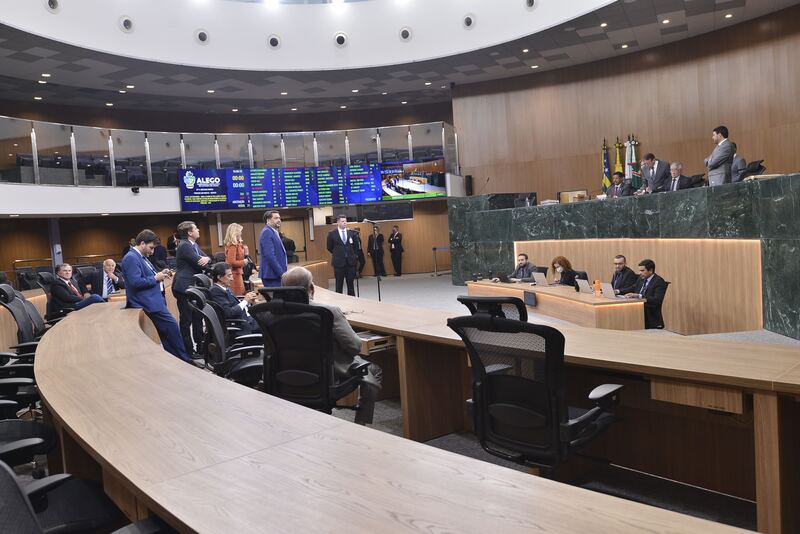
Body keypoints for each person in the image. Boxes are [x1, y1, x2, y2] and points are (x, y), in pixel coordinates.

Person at [282, 266, 382, 425]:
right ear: (312, 288)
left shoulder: (274, 311)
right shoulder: (328, 312)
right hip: (327, 375)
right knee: (374, 370)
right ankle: (360, 425)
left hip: (286, 373)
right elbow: (355, 346)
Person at [121, 229, 191, 362]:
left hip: (154, 299)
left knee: (167, 333)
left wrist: (161, 273)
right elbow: (135, 282)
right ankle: (184, 360)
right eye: (151, 247)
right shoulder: (131, 258)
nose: (152, 252)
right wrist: (155, 278)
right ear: (142, 243)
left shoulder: (140, 257)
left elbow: (147, 276)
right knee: (172, 329)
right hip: (147, 301)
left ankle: (176, 360)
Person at [173, 220, 211, 357]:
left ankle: (200, 348)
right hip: (183, 287)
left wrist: (207, 259)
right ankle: (188, 351)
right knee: (186, 321)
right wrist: (206, 260)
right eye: (196, 228)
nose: (198, 230)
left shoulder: (193, 245)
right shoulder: (184, 246)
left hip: (193, 287)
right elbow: (200, 263)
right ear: (189, 232)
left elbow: (208, 259)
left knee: (197, 317)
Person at [208, 262, 259, 335]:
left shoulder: (224, 288)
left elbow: (234, 304)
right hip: (242, 325)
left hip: (247, 318)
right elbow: (229, 313)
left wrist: (249, 301)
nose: (232, 279)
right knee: (271, 321)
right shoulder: (216, 291)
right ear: (219, 277)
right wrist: (245, 301)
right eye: (229, 276)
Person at [624, 259, 667, 329]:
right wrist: (617, 291)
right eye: (639, 270)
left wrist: (639, 296)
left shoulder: (659, 281)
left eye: (642, 271)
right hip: (638, 311)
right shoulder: (641, 279)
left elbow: (657, 300)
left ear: (650, 270)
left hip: (650, 315)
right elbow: (632, 288)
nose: (640, 273)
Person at [326, 214, 357, 296]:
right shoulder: (332, 234)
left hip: (350, 262)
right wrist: (338, 254)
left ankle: (352, 300)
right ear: (338, 222)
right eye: (343, 221)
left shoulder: (351, 233)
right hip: (338, 263)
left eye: (345, 221)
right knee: (339, 284)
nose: (345, 223)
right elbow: (329, 247)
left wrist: (354, 256)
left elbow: (356, 246)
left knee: (350, 284)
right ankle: (339, 301)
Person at [259, 210, 288, 287]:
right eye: (276, 218)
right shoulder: (267, 232)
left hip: (275, 275)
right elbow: (270, 256)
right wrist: (281, 273)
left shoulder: (273, 232)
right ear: (268, 220)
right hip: (272, 275)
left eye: (279, 218)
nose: (279, 220)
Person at [223, 223, 248, 296]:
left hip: (238, 272)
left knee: (241, 294)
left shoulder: (238, 244)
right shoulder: (233, 245)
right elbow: (231, 262)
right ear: (235, 232)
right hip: (234, 274)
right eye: (240, 231)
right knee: (238, 295)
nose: (241, 233)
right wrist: (243, 262)